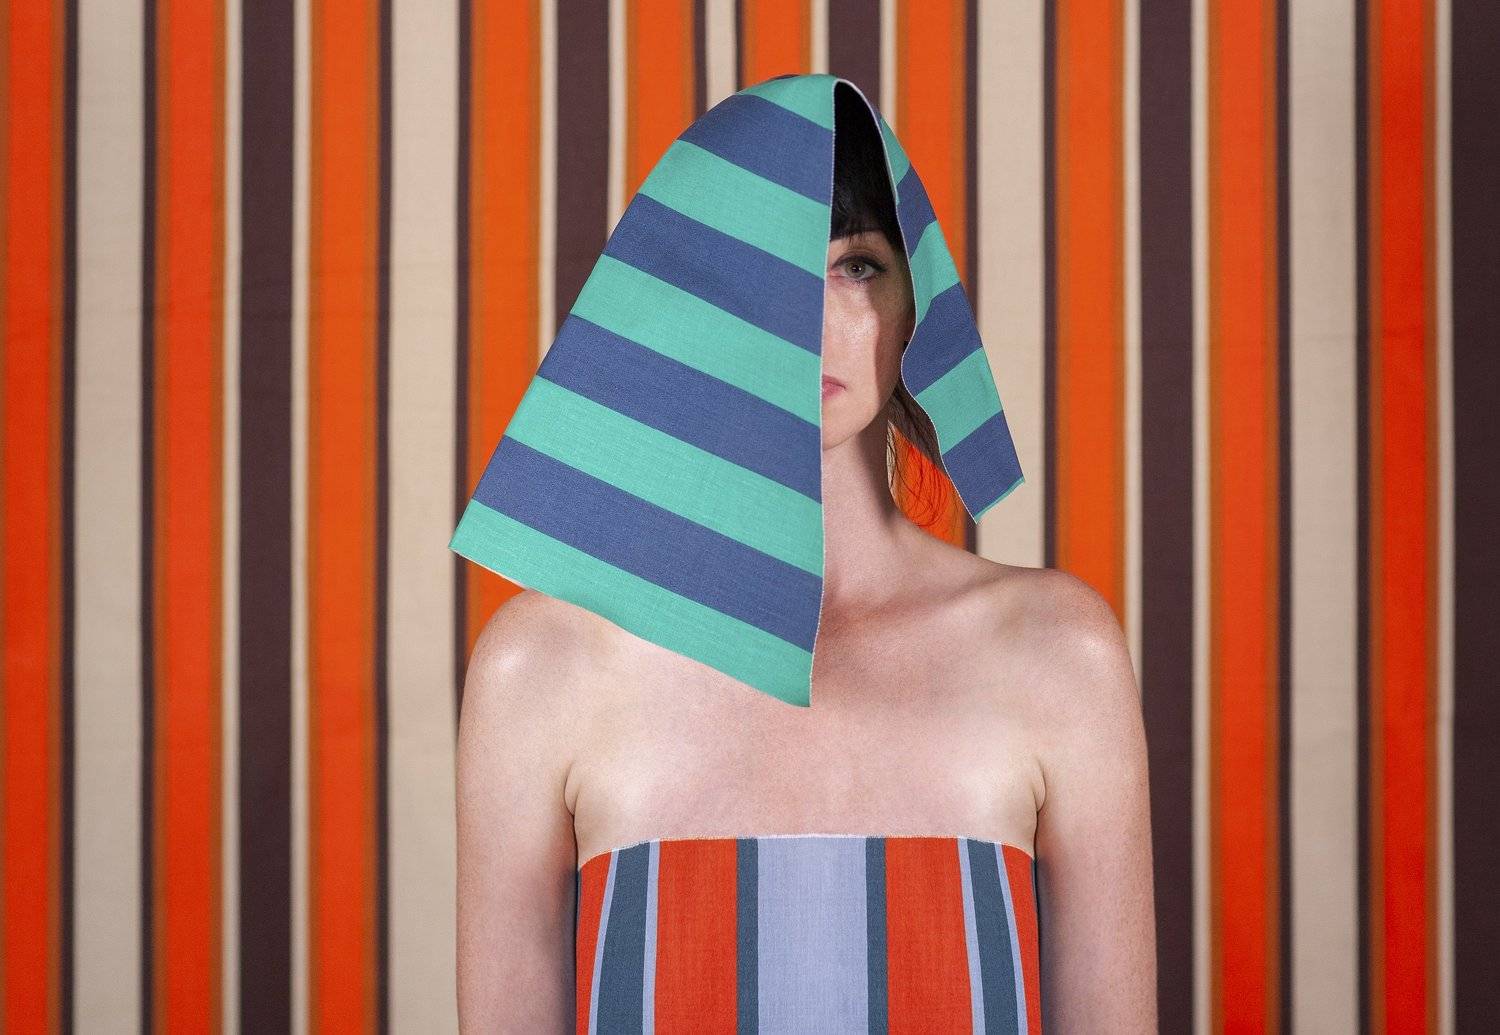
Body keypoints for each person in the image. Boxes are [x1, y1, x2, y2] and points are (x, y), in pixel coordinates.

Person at [453, 74, 1156, 1032]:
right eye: (761, 268)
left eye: (856, 264)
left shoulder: (1060, 654)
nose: (807, 320)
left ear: (919, 303)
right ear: (680, 301)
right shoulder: (540, 666)